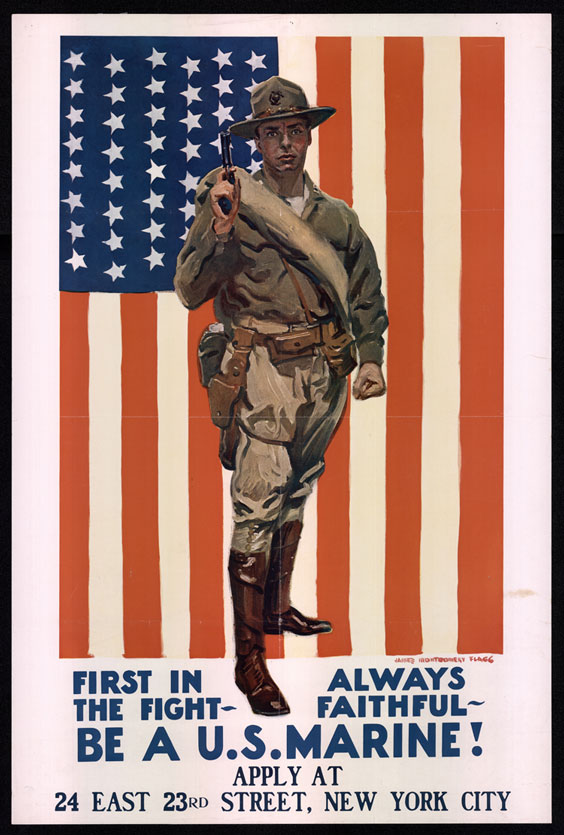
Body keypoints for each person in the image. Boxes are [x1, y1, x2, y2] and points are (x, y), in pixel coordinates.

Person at [174, 76, 388, 716]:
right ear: (256, 142)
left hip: (326, 371)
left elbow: (366, 290)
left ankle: (274, 610)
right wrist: (217, 228)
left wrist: (370, 357)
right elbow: (188, 290)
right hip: (263, 370)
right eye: (272, 133)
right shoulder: (230, 205)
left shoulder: (336, 218)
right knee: (257, 505)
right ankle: (248, 663)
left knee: (299, 488)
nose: (286, 143)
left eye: (296, 131)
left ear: (308, 136)